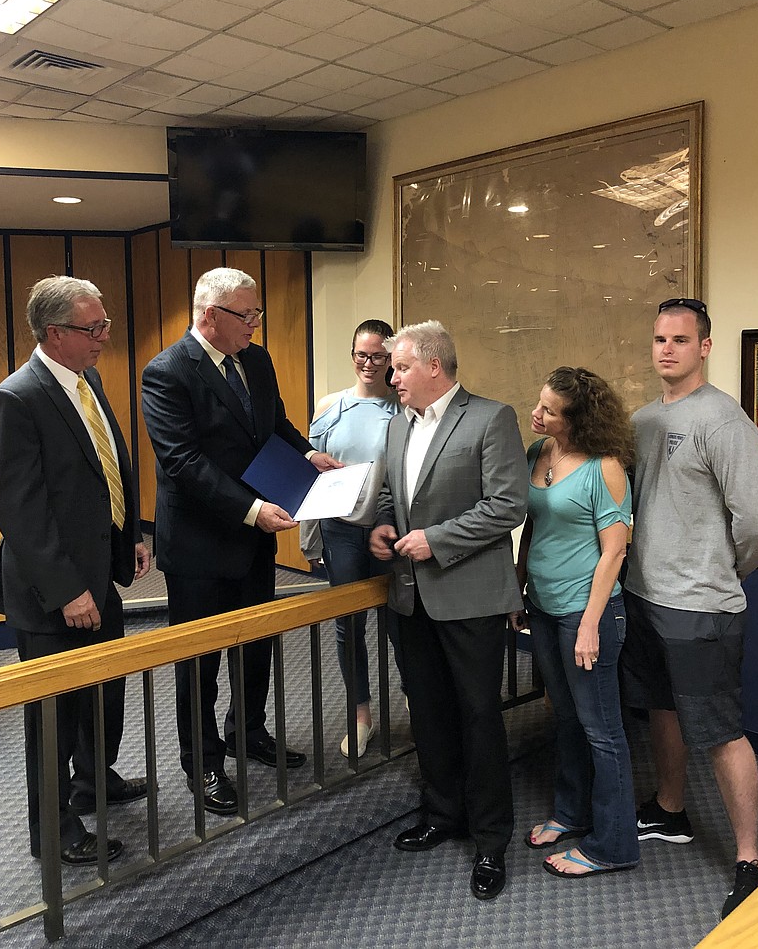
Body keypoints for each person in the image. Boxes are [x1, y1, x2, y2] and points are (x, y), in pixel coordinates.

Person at [141, 267, 340, 815]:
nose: (255, 324)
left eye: (257, 313)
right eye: (246, 315)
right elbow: (183, 463)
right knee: (200, 662)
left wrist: (306, 454)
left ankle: (247, 731)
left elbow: (272, 426)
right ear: (210, 316)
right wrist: (251, 510)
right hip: (201, 546)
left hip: (255, 538)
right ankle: (202, 762)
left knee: (257, 645)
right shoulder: (167, 372)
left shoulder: (256, 359)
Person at [0, 276, 151, 866]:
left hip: (98, 574)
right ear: (55, 334)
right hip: (53, 594)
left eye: (104, 324)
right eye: (94, 327)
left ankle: (94, 784)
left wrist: (127, 539)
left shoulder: (87, 380)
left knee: (101, 697)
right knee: (53, 721)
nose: (105, 335)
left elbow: (108, 467)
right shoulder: (17, 397)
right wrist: (68, 589)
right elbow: (21, 509)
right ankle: (52, 833)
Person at [369, 320, 527, 901]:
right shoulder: (396, 424)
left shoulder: (490, 418)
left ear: (435, 365)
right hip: (410, 596)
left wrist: (438, 539)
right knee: (429, 711)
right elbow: (392, 494)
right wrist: (385, 524)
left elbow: (508, 504)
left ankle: (490, 839)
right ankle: (442, 814)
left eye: (402, 367)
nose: (393, 377)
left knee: (479, 717)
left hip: (470, 597)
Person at [620, 297, 758, 920]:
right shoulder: (643, 418)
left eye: (681, 340)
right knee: (661, 706)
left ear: (703, 347)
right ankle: (670, 809)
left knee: (720, 729)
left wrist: (724, 570)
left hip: (700, 603)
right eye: (660, 339)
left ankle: (749, 860)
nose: (668, 350)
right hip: (644, 594)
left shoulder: (722, 419)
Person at [511, 367, 639, 879]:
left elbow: (615, 551)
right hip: (542, 603)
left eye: (549, 411)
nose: (536, 415)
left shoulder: (605, 467)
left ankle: (613, 845)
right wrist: (517, 586)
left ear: (577, 420)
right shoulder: (537, 453)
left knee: (602, 730)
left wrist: (590, 624)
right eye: (538, 404)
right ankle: (572, 812)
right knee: (564, 715)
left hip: (588, 612)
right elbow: (534, 524)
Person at [307, 319, 404, 759]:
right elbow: (309, 470)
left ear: (391, 359)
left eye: (379, 357)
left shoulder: (403, 410)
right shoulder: (331, 406)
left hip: (390, 528)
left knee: (401, 621)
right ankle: (360, 714)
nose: (369, 364)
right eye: (362, 355)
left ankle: (417, 704)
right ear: (352, 356)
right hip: (340, 529)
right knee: (349, 625)